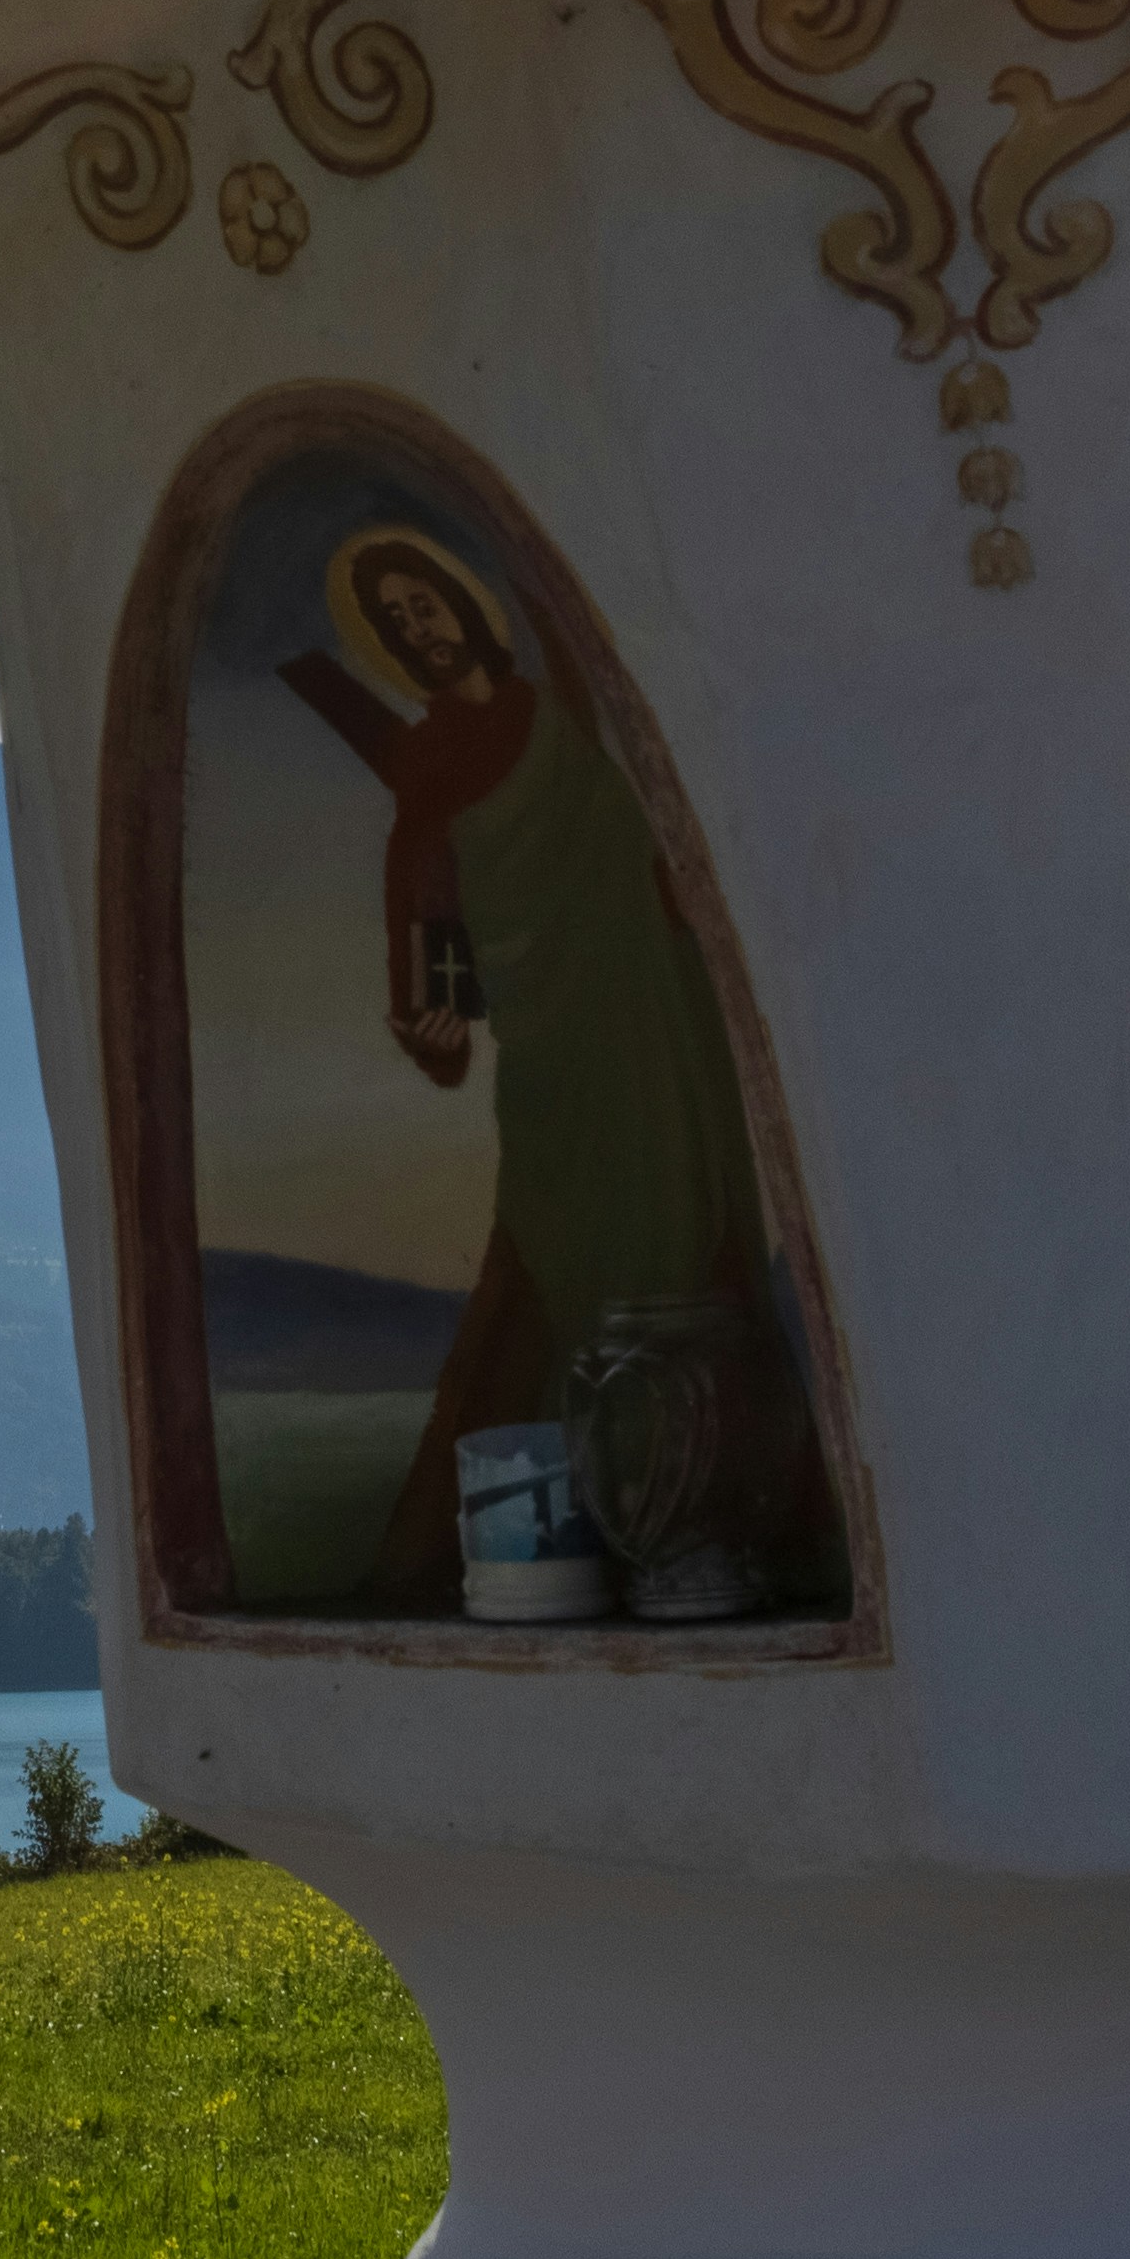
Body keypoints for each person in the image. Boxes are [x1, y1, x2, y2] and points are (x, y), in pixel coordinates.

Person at [277, 519, 782, 1597]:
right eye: (397, 623)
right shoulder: (429, 770)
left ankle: (718, 1519)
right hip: (557, 1068)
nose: (418, 629)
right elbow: (424, 960)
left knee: (693, 1261)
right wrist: (431, 1028)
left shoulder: (568, 714)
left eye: (425, 604)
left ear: (468, 603)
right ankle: (596, 1529)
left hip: (661, 1027)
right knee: (568, 1289)